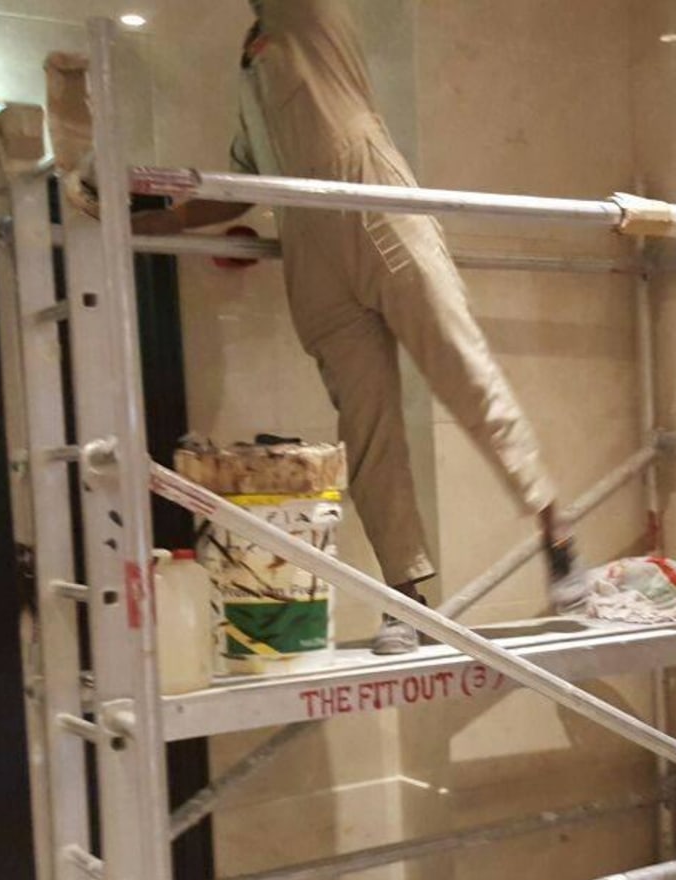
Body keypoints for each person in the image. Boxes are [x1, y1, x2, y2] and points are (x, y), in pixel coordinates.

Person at [135, 0, 584, 655]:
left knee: (462, 372)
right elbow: (247, 180)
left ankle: (556, 532)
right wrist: (166, 221)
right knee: (368, 435)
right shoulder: (251, 61)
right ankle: (407, 599)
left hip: (375, 205)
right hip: (311, 251)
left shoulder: (309, 16)